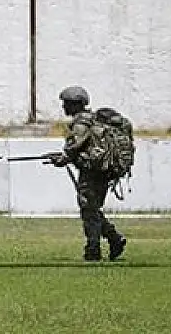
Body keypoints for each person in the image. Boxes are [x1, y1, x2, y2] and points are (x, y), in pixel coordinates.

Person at [45, 86, 127, 262]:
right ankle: (114, 238)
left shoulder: (81, 123)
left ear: (76, 104)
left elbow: (75, 146)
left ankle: (94, 249)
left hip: (91, 172)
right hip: (101, 170)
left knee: (89, 209)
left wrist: (62, 159)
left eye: (67, 103)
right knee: (92, 208)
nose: (64, 107)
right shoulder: (93, 119)